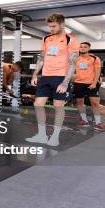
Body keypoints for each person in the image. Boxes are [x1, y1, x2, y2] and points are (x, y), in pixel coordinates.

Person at [26, 13, 79, 147]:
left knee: (58, 106)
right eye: (50, 27)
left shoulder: (70, 40)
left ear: (62, 24)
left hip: (61, 77)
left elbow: (73, 64)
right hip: (45, 77)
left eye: (54, 26)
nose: (51, 29)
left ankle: (55, 137)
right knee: (38, 104)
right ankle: (42, 135)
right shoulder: (46, 39)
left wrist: (65, 82)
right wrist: (35, 74)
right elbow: (42, 58)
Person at [73, 42, 105, 131]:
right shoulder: (76, 59)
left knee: (95, 103)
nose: (83, 48)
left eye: (85, 47)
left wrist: (94, 83)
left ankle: (98, 122)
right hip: (78, 83)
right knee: (79, 102)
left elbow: (97, 72)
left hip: (91, 83)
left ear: (89, 48)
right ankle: (84, 120)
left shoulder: (95, 58)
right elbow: (72, 71)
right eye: (81, 47)